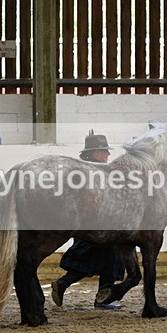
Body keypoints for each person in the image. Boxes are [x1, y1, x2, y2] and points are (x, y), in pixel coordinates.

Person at [51, 130, 126, 310]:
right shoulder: (95, 172)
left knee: (97, 260)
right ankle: (98, 298)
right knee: (105, 257)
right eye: (104, 151)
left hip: (92, 225)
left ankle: (67, 285)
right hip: (97, 226)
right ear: (95, 153)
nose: (108, 154)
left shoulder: (84, 170)